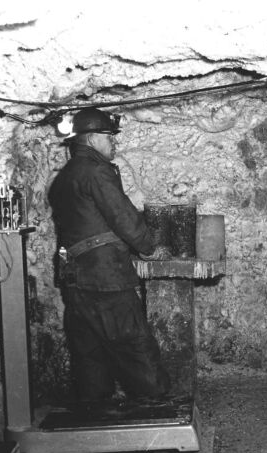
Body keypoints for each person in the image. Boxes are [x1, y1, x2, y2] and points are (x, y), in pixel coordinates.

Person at [48, 107, 170, 404]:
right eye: (108, 136)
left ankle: (94, 414)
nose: (113, 142)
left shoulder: (64, 178)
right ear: (90, 139)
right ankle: (156, 409)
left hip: (75, 278)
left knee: (90, 350)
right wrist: (150, 247)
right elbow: (122, 216)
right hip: (105, 277)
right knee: (133, 342)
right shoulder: (96, 171)